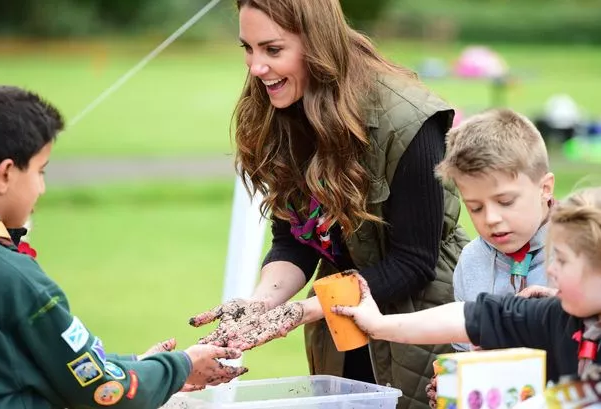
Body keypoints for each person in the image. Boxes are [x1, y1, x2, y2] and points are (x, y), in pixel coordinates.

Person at [188, 1, 468, 407]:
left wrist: (302, 311)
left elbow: (413, 262)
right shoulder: (279, 105)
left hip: (417, 326)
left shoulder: (409, 120)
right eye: (247, 48)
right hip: (337, 331)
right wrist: (261, 306)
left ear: (317, 44)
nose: (255, 67)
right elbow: (296, 238)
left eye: (272, 50)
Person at [0, 85, 246, 408]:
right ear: (5, 175)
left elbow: (38, 368)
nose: (42, 187)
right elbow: (103, 391)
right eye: (41, 171)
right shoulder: (17, 280)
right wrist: (181, 366)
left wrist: (137, 364)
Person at [332, 186, 601, 384]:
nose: (552, 270)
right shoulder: (558, 315)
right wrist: (378, 325)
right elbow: (469, 316)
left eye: (563, 261)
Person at [435, 108, 556, 352]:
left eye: (506, 202)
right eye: (475, 208)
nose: (490, 219)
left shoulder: (585, 250)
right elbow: (464, 349)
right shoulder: (470, 261)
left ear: (545, 188)